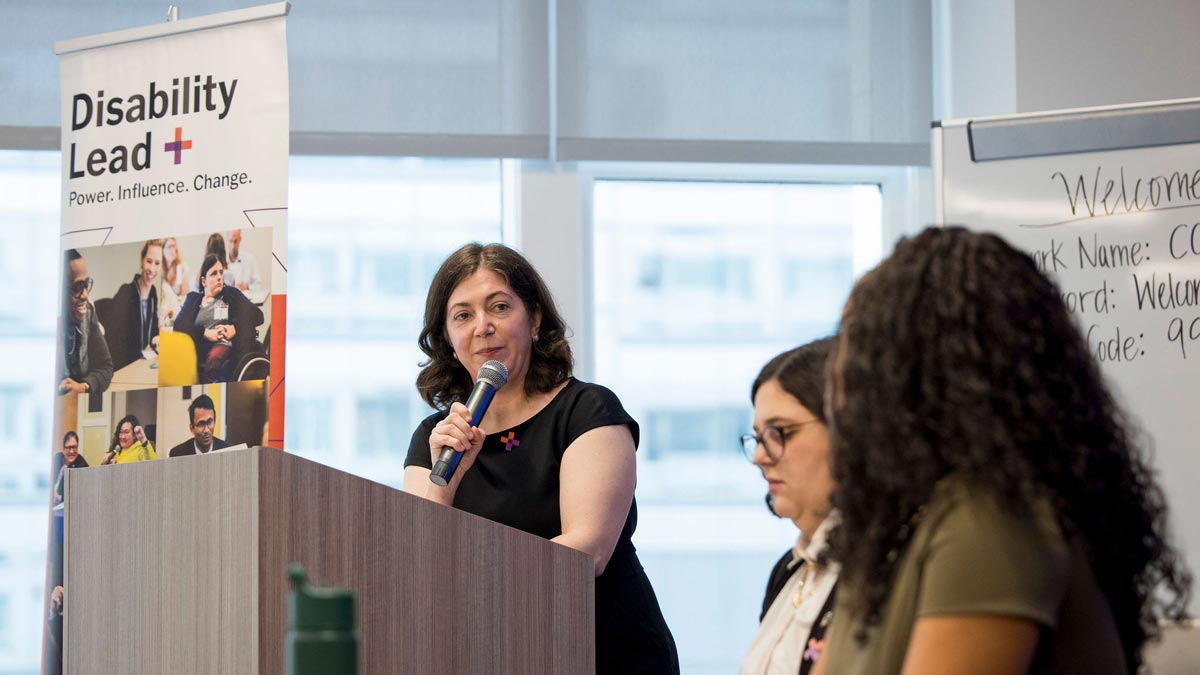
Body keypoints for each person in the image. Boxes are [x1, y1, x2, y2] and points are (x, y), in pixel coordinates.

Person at [817, 227, 1192, 675]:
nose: (837, 367)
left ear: (907, 370)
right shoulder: (897, 528)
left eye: (856, 341)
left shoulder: (992, 519)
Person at [402, 243, 679, 674]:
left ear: (533, 320)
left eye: (499, 307)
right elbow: (422, 563)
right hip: (491, 654)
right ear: (447, 339)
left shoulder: (586, 411)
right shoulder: (434, 439)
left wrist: (475, 585)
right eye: (463, 315)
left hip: (601, 650)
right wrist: (449, 477)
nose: (483, 327)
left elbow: (586, 552)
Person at [740, 338, 839, 675]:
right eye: (758, 436)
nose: (759, 457)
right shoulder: (789, 569)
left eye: (780, 432)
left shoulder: (883, 569)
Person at [174, 254, 263, 383]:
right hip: (198, 348)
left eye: (221, 272)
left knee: (215, 357)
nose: (219, 277)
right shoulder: (193, 299)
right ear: (204, 281)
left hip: (223, 346)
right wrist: (206, 333)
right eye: (214, 274)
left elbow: (258, 316)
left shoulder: (230, 294)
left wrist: (235, 328)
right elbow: (179, 324)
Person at [58, 249, 112, 396]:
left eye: (86, 284)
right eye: (77, 287)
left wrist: (83, 387)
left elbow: (106, 368)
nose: (85, 295)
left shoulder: (88, 312)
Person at [109, 239, 162, 369]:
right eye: (149, 261)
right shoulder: (126, 292)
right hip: (125, 366)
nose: (152, 269)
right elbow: (116, 343)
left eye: (157, 263)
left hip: (143, 362)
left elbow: (153, 330)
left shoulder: (153, 293)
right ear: (141, 261)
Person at [225, 229, 266, 304]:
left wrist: (247, 287)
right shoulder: (221, 261)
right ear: (227, 240)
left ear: (240, 240)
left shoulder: (250, 259)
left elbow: (258, 285)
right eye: (231, 241)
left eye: (235, 241)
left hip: (245, 304)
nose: (233, 246)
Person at [53, 431, 89, 503]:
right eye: (69, 448)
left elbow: (79, 496)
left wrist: (58, 497)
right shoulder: (58, 458)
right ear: (63, 449)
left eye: (74, 447)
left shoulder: (82, 466)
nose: (72, 451)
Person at [161, 236, 189, 324]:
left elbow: (184, 295)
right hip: (163, 309)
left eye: (174, 246)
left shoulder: (180, 267)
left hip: (177, 307)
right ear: (163, 250)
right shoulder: (159, 269)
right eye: (169, 247)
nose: (173, 250)